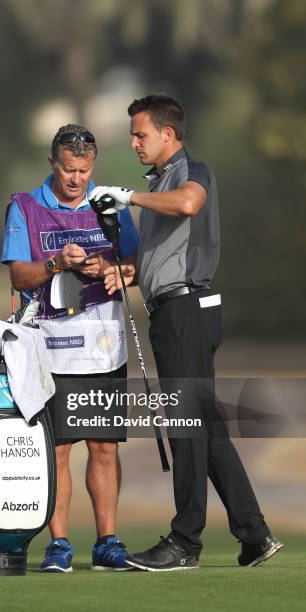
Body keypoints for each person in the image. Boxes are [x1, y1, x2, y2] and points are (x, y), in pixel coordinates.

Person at [92, 94, 283, 571]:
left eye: (141, 134)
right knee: (208, 429)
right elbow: (162, 256)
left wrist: (128, 196)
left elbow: (191, 203)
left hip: (188, 312)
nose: (134, 142)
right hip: (173, 311)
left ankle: (185, 542)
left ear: (167, 135)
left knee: (185, 426)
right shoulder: (159, 184)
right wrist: (128, 272)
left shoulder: (190, 172)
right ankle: (254, 535)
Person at [1, 124, 138, 572]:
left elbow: (134, 263)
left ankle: (107, 542)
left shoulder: (111, 205)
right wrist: (57, 263)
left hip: (103, 345)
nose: (76, 178)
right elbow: (19, 276)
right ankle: (58, 544)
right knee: (57, 449)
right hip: (47, 348)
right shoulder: (23, 207)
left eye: (83, 169)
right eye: (67, 169)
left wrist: (111, 266)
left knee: (104, 446)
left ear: (92, 164)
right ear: (52, 163)